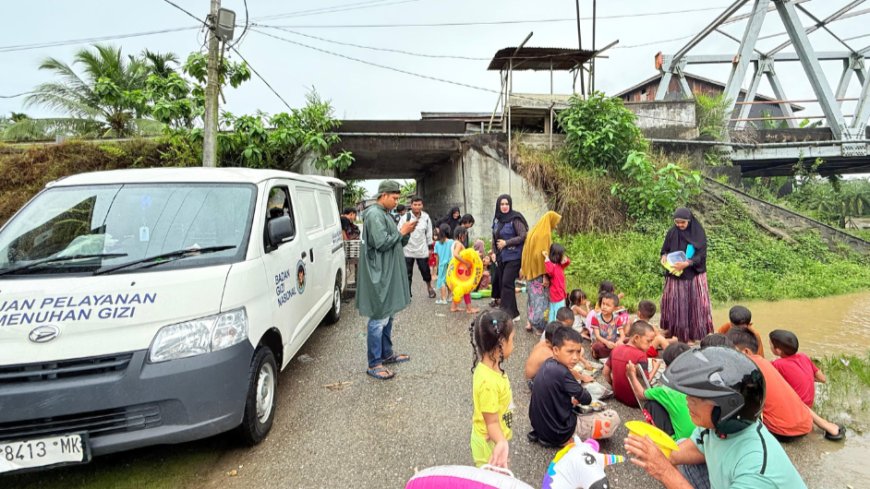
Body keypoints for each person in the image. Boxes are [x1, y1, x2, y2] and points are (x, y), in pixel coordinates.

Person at [625, 346, 808, 489]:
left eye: (696, 397)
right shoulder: (715, 426)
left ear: (727, 406)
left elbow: (667, 470)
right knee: (680, 443)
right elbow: (691, 449)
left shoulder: (756, 469)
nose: (688, 400)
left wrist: (664, 471)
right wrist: (657, 454)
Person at [726, 329, 845, 442]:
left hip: (783, 432)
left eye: (732, 351)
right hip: (805, 424)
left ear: (746, 351)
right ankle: (828, 426)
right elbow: (822, 379)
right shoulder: (767, 363)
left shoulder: (751, 369)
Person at [356, 180, 417, 380]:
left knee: (388, 314)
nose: (396, 202)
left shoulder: (385, 214)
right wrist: (401, 232)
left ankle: (386, 353)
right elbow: (382, 243)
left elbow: (395, 240)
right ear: (383, 195)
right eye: (394, 198)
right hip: (379, 273)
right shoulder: (374, 215)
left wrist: (407, 232)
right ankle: (374, 363)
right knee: (379, 317)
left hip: (387, 272)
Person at [528, 327, 620, 446]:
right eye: (570, 352)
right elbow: (586, 399)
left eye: (578, 351)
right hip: (559, 433)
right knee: (613, 417)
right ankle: (566, 440)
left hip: (540, 428)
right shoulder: (562, 373)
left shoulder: (548, 363)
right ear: (555, 350)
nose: (576, 357)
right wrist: (581, 389)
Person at [469, 309, 515, 468]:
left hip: (494, 436)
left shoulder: (491, 369)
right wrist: (501, 441)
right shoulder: (488, 383)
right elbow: (492, 422)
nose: (513, 345)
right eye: (512, 340)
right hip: (490, 442)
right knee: (491, 480)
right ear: (501, 343)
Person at [659, 208, 714, 343]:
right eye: (677, 222)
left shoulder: (698, 233)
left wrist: (687, 263)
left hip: (693, 275)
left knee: (694, 305)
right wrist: (664, 257)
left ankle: (693, 334)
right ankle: (673, 331)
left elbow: (701, 255)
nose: (679, 225)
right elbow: (664, 249)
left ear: (689, 221)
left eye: (682, 222)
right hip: (676, 275)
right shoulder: (672, 232)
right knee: (675, 304)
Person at [625, 342, 695, 440]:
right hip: (702, 444)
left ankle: (663, 440)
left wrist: (632, 374)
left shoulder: (666, 391)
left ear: (667, 367)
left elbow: (640, 394)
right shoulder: (699, 383)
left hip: (680, 446)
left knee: (651, 404)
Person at [520, 211, 561, 332]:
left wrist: (523, 267)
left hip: (530, 271)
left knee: (532, 298)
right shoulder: (545, 235)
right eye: (556, 222)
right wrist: (545, 275)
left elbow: (525, 252)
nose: (556, 225)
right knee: (540, 299)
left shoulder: (533, 231)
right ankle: (540, 326)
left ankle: (529, 321)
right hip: (539, 272)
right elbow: (542, 256)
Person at [603, 321, 659, 408]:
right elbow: (645, 383)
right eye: (649, 341)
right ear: (636, 338)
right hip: (636, 401)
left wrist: (614, 386)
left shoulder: (616, 349)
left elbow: (605, 373)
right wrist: (655, 368)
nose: (651, 345)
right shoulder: (641, 356)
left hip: (618, 396)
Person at [492, 195, 528, 322]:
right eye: (502, 204)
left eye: (506, 204)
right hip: (502, 257)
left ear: (510, 204)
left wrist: (507, 243)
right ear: (498, 205)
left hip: (514, 256)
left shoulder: (515, 218)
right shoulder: (497, 220)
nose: (504, 206)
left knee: (507, 282)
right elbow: (494, 238)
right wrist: (494, 253)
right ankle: (514, 313)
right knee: (505, 284)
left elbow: (523, 236)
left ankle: (505, 313)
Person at [525, 321, 594, 387]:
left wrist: (584, 362)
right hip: (533, 382)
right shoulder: (549, 353)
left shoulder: (546, 343)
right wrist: (582, 377)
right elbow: (568, 371)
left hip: (538, 375)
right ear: (548, 342)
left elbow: (574, 351)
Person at [769, 329, 826, 407]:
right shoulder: (804, 356)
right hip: (809, 404)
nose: (770, 347)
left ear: (778, 351)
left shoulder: (778, 364)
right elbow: (822, 379)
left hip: (796, 408)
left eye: (770, 345)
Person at [400, 197, 435, 299]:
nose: (417, 207)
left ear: (422, 205)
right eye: (415, 205)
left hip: (422, 250)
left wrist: (430, 248)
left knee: (425, 271)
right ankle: (407, 294)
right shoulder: (405, 218)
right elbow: (399, 232)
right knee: (407, 273)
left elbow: (429, 233)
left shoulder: (426, 217)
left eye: (419, 204)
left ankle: (429, 287)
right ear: (411, 205)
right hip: (407, 250)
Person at [449, 227, 479, 314]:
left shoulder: (454, 243)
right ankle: (469, 309)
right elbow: (455, 255)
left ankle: (453, 307)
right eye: (464, 235)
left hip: (456, 270)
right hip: (461, 271)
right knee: (466, 289)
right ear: (460, 235)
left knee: (459, 289)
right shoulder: (458, 244)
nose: (465, 237)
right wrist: (466, 263)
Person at [589, 292, 627, 359]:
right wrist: (607, 343)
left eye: (608, 305)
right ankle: (607, 353)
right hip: (600, 342)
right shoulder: (595, 317)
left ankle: (610, 353)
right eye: (603, 304)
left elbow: (622, 335)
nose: (604, 307)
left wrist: (620, 341)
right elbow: (597, 336)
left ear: (615, 308)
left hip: (612, 342)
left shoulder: (617, 318)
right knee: (598, 346)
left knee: (627, 340)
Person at [543, 243, 571, 324]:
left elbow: (568, 262)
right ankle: (555, 328)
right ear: (557, 255)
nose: (563, 256)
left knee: (554, 312)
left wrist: (565, 259)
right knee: (557, 314)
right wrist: (547, 259)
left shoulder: (559, 265)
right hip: (556, 294)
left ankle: (551, 327)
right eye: (561, 255)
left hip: (560, 294)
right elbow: (550, 271)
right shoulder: (552, 266)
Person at [433, 224, 453, 305]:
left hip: (442, 264)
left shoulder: (437, 244)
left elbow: (437, 257)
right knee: (450, 280)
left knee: (442, 281)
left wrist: (437, 267)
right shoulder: (452, 242)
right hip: (451, 264)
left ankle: (443, 299)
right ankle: (450, 297)